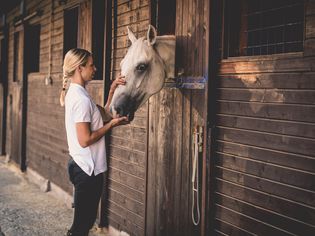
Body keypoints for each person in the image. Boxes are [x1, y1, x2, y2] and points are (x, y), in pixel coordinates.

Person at [60, 48, 128, 236]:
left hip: (81, 166)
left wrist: (113, 89)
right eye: (91, 65)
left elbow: (103, 113)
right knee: (81, 227)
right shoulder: (81, 99)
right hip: (86, 170)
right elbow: (85, 140)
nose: (95, 68)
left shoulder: (79, 94)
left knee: (83, 223)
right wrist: (112, 125)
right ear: (80, 68)